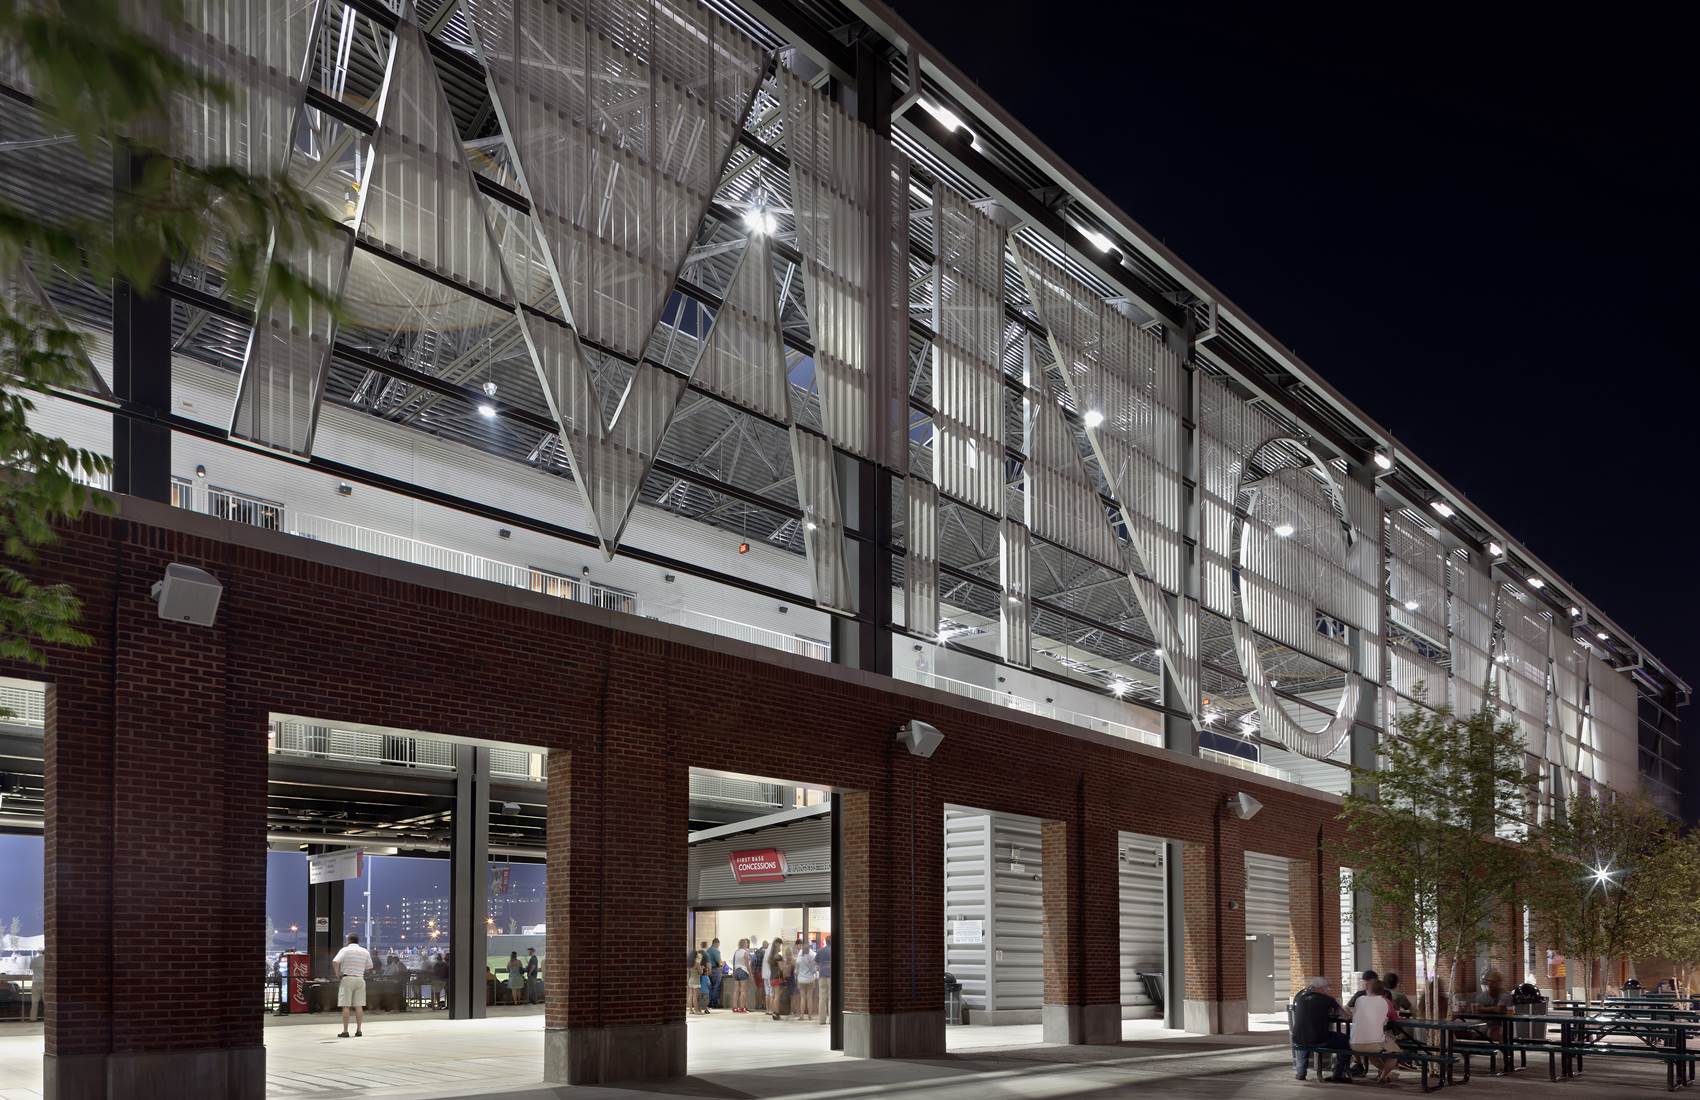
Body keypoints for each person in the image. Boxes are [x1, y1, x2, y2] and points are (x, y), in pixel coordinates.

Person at [1290, 976, 1352, 1082]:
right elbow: (1345, 1016)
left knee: (1304, 1037)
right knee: (1346, 1041)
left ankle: (1300, 1072)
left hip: (1297, 1038)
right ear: (1320, 988)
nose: (1327, 989)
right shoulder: (1327, 999)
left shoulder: (1300, 998)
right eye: (1326, 987)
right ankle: (1338, 1074)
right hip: (1319, 1040)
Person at [1349, 979, 1398, 1085]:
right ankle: (1384, 1075)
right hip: (1374, 1044)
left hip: (1354, 1043)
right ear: (1383, 991)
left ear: (1367, 989)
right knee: (1396, 1054)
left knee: (1372, 1055)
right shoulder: (1386, 1001)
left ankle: (1385, 1075)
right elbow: (1394, 1018)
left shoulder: (1359, 999)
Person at [331, 934, 373, 1038]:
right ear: (358, 941)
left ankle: (345, 1031)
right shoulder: (365, 951)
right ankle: (359, 1030)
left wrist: (337, 974)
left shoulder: (345, 950)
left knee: (346, 1006)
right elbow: (370, 966)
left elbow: (335, 961)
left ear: (349, 940)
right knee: (359, 1006)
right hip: (360, 979)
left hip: (348, 978)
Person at [794, 940, 818, 1019]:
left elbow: (796, 970)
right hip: (810, 979)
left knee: (802, 998)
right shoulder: (813, 955)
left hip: (801, 979)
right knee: (809, 997)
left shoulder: (799, 956)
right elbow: (814, 970)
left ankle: (801, 1015)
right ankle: (810, 1016)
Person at [766, 940, 788, 1020]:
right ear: (777, 945)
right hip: (778, 978)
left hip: (772, 978)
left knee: (774, 996)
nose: (781, 948)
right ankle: (776, 1013)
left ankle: (774, 1012)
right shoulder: (778, 956)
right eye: (780, 946)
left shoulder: (770, 957)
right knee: (777, 997)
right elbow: (781, 968)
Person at [731, 938, 752, 1014]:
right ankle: (742, 1007)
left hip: (736, 970)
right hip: (743, 970)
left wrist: (734, 972)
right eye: (746, 943)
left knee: (736, 990)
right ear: (744, 944)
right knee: (743, 990)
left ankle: (734, 1007)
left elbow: (733, 963)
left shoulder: (736, 952)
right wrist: (750, 973)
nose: (747, 944)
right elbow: (747, 964)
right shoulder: (745, 952)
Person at [815, 936, 832, 1025]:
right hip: (831, 976)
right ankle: (831, 1019)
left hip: (822, 976)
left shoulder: (820, 951)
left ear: (826, 941)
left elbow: (816, 962)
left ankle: (822, 1020)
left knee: (822, 998)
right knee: (831, 998)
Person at [705, 938, 723, 1010]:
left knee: (710, 987)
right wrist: (722, 965)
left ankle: (709, 1002)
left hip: (708, 970)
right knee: (716, 986)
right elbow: (719, 961)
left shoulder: (708, 950)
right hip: (715, 970)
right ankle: (715, 1002)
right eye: (719, 944)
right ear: (717, 943)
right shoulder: (716, 951)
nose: (719, 946)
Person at [749, 939, 767, 1012]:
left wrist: (752, 972)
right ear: (765, 945)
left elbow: (752, 962)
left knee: (758, 988)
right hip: (761, 972)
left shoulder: (756, 952)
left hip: (756, 972)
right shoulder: (764, 952)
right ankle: (761, 1004)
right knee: (761, 989)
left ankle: (757, 1004)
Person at [29, 951, 44, 1022]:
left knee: (34, 1001)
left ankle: (33, 1018)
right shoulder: (49, 960)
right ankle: (49, 1018)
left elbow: (31, 968)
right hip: (46, 982)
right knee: (47, 1002)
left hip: (35, 981)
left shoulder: (34, 959)